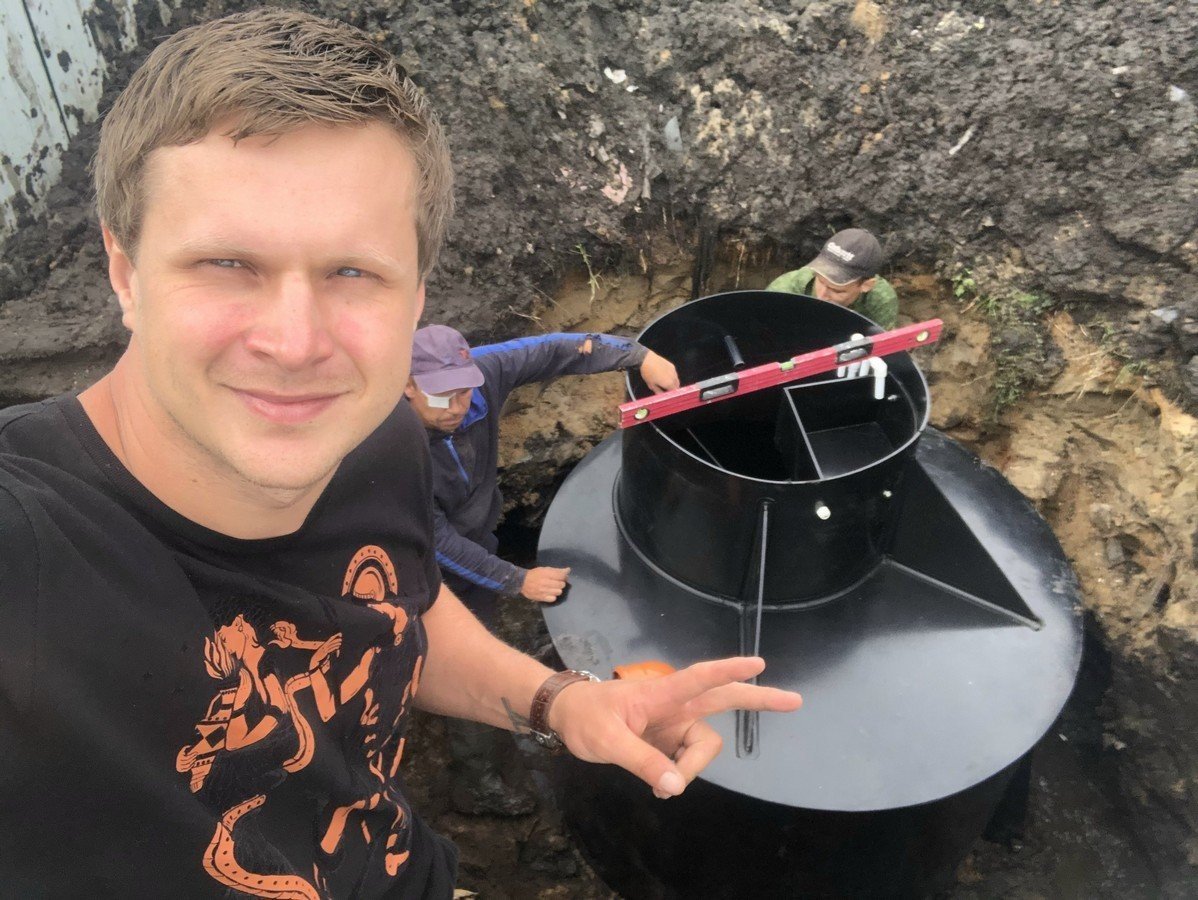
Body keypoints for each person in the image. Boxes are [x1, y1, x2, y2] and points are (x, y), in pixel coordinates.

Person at [0, 9, 801, 899]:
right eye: (227, 264)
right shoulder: (30, 554)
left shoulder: (378, 437)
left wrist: (560, 700)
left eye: (353, 272)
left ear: (416, 295)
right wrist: (512, 579)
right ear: (123, 271)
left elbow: (396, 610)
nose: (295, 344)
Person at [406, 324, 679, 814]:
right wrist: (516, 579)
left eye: (464, 392)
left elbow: (555, 350)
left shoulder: (482, 375)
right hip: (417, 560)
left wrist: (638, 356)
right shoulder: (390, 442)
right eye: (441, 396)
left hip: (474, 533)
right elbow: (434, 537)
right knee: (468, 662)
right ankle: (475, 783)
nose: (456, 407)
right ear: (406, 385)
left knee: (479, 632)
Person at [766, 228, 900, 328]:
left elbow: (885, 349)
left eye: (836, 291)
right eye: (820, 281)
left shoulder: (880, 298)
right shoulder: (783, 292)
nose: (822, 296)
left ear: (866, 286)